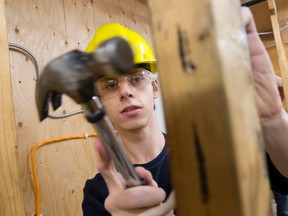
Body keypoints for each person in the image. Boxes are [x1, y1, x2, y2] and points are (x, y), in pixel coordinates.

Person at [82, 7, 288, 215]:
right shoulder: (100, 193)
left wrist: (273, 119)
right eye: (110, 85)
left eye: (136, 78)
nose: (125, 91)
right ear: (99, 103)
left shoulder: (210, 151)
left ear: (154, 88)